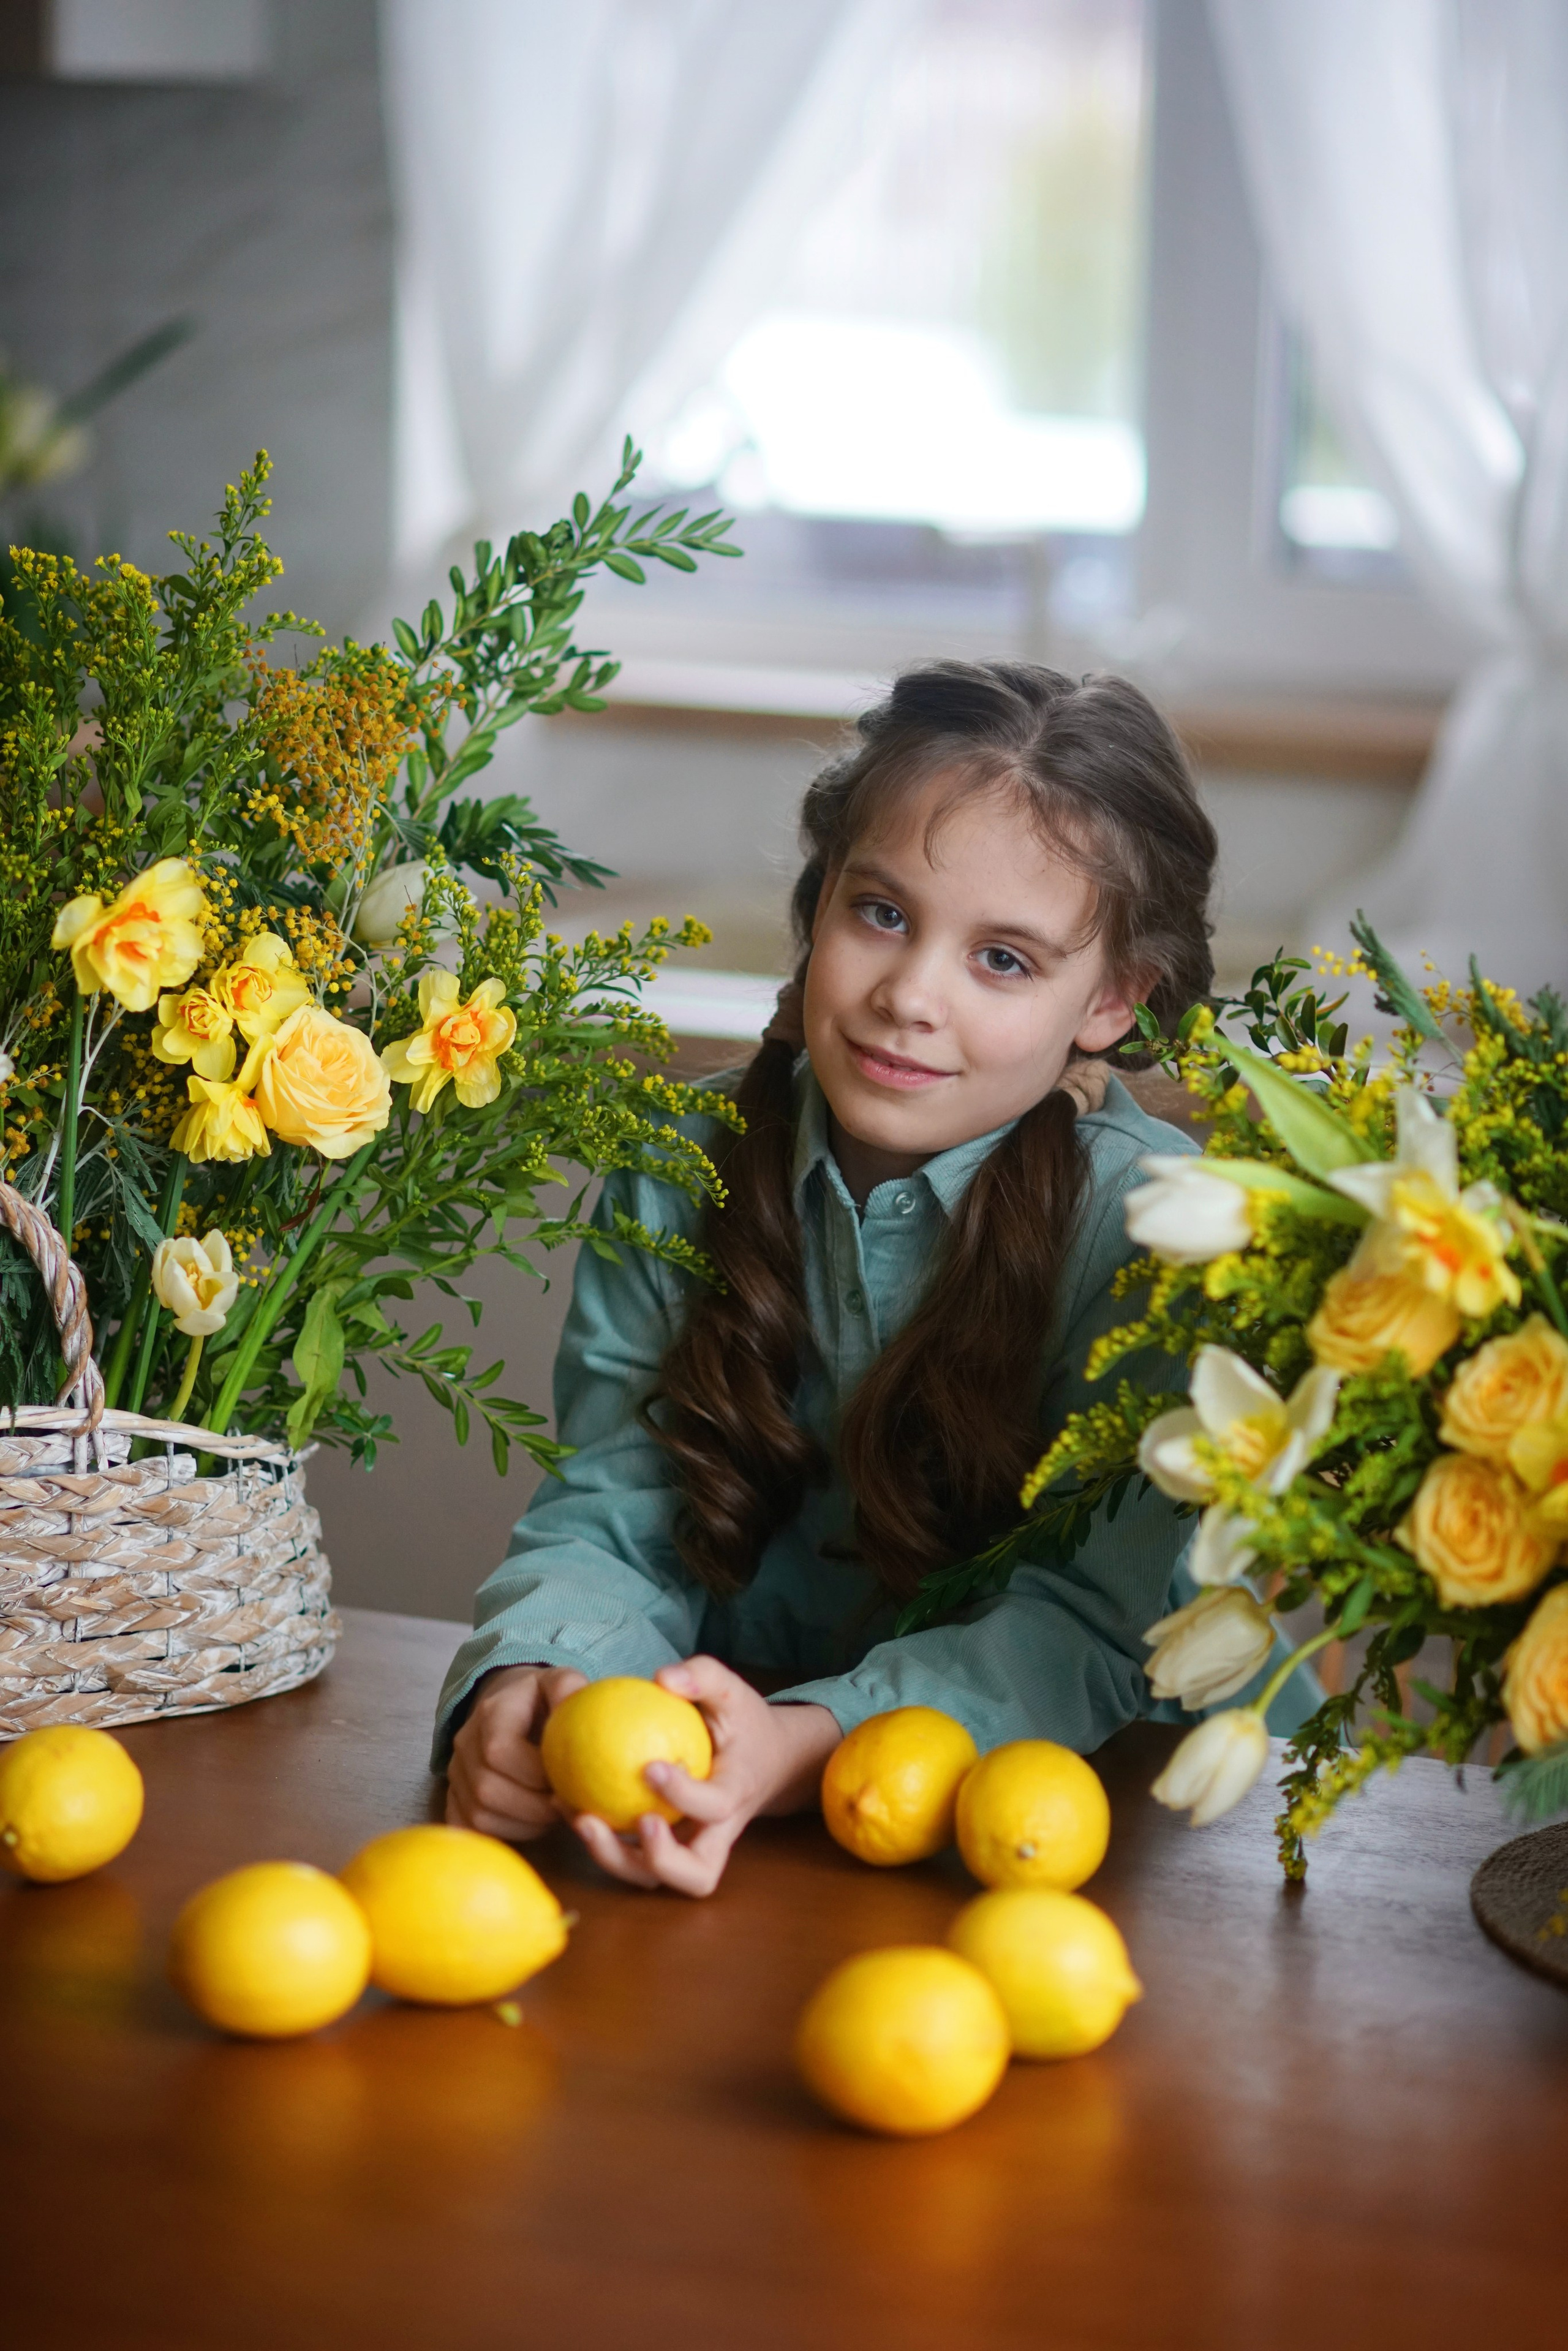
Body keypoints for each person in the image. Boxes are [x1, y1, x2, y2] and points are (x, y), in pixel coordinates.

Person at [436, 657, 1218, 1896]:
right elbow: (617, 1499)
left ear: (1113, 998)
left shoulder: (1158, 1230)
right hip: (729, 1832)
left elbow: (1095, 1617)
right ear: (818, 902)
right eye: (883, 913)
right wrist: (534, 1679)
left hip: (1064, 1855)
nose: (908, 996)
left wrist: (806, 1743)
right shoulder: (673, 1162)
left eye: (1003, 960)